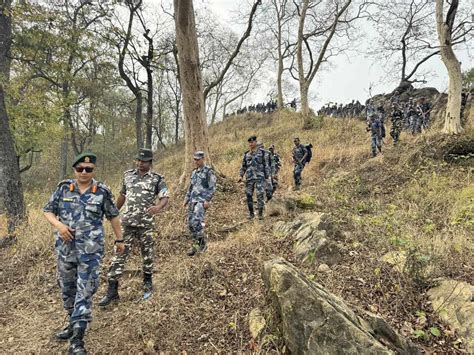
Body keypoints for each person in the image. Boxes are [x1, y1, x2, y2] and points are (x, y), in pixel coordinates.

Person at [43, 152, 124, 355]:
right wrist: (60, 226)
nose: (84, 172)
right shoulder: (64, 189)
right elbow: (47, 210)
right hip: (66, 251)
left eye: (89, 169)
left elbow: (113, 215)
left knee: (85, 290)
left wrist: (120, 239)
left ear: (94, 171)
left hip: (90, 252)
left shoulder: (102, 191)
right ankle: (72, 323)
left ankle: (77, 340)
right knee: (67, 290)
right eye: (80, 169)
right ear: (75, 170)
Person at [99, 148, 169, 306]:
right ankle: (112, 291)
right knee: (119, 254)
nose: (140, 163)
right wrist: (113, 212)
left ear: (150, 162)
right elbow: (122, 196)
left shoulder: (157, 179)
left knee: (148, 254)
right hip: (127, 224)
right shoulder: (128, 175)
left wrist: (158, 207)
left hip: (146, 224)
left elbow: (165, 197)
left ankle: (147, 283)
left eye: (143, 161)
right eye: (138, 160)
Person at [183, 151, 217, 256]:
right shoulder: (194, 172)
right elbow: (191, 187)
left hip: (201, 201)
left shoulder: (208, 171)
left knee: (197, 223)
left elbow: (213, 187)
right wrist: (186, 199)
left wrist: (207, 200)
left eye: (198, 159)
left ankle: (203, 245)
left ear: (203, 159)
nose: (196, 161)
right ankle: (196, 246)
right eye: (195, 159)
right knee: (190, 224)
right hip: (192, 201)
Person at [239, 135, 271, 220]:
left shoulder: (263, 153)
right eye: (249, 142)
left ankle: (260, 214)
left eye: (252, 142)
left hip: (260, 177)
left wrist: (267, 177)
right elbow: (243, 166)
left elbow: (266, 165)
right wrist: (241, 175)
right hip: (249, 178)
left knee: (260, 194)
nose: (250, 144)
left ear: (256, 142)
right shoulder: (246, 154)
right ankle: (251, 213)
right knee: (249, 195)